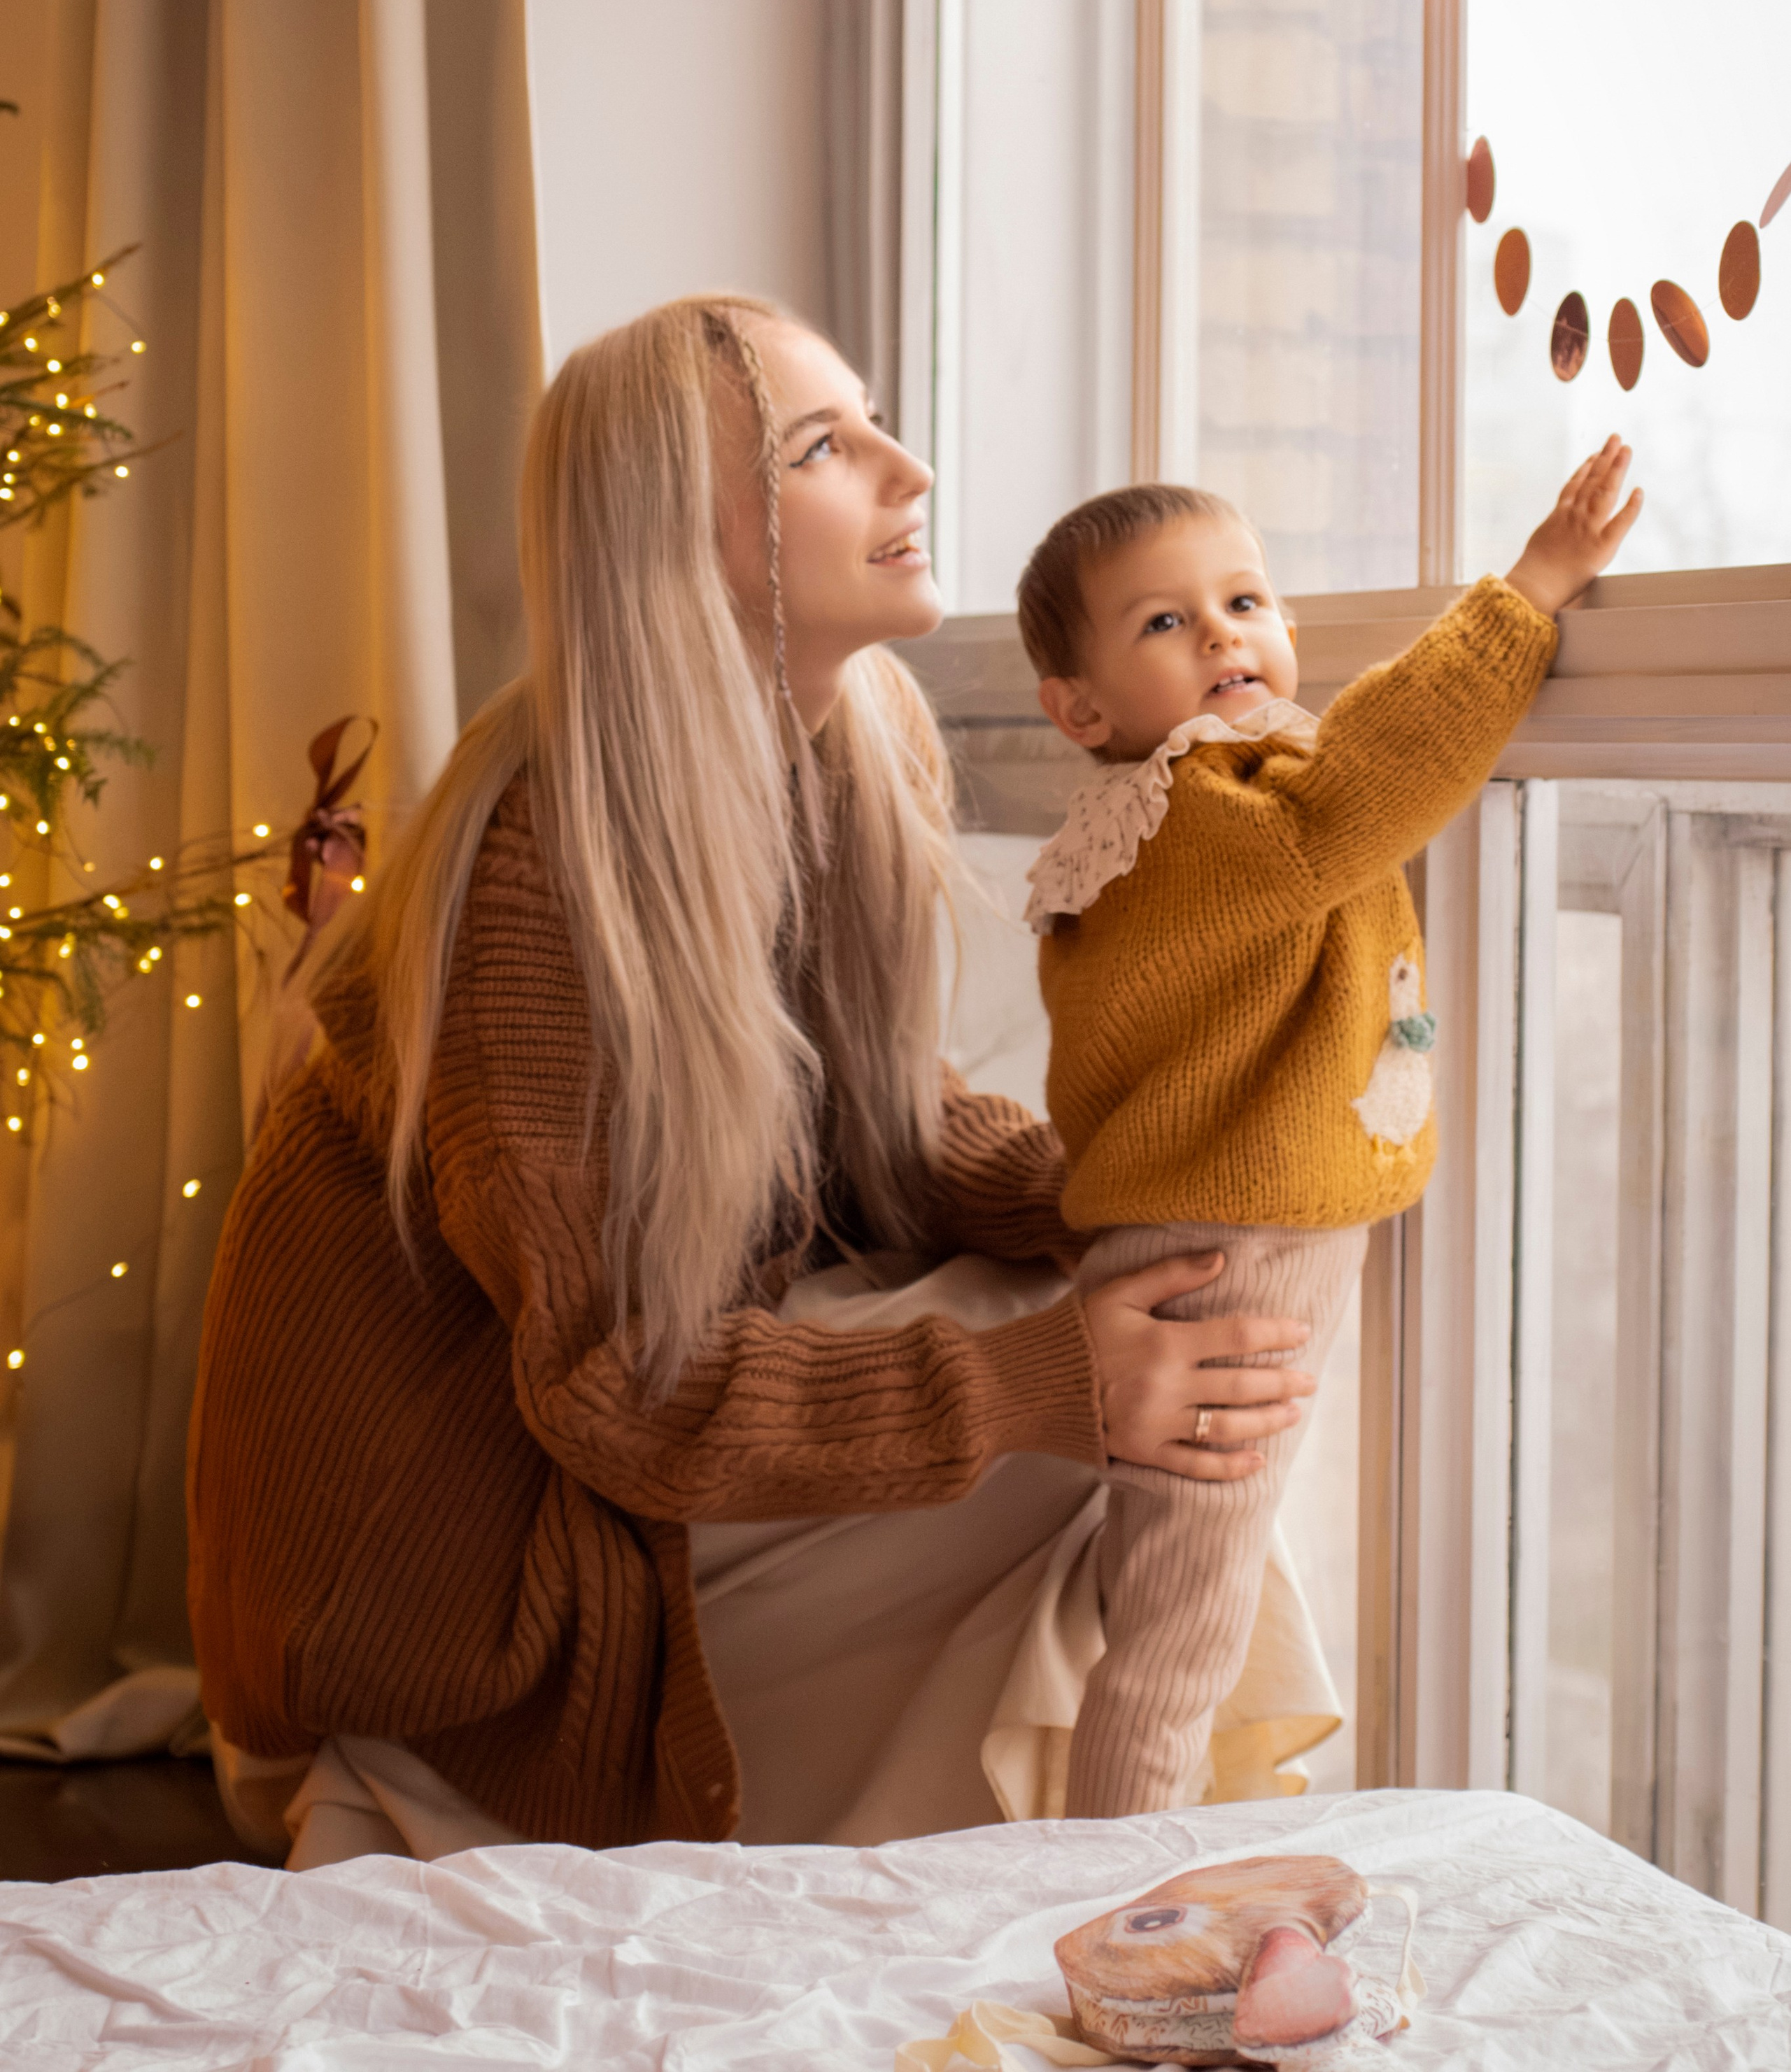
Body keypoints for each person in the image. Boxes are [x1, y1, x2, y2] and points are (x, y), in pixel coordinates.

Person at [187, 295, 1320, 1868]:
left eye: (872, 425)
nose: (907, 468)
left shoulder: (831, 754)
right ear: (675, 530)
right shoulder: (544, 865)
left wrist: (1127, 1194)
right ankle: (1113, 1867)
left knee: (1179, 1309)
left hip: (600, 1454)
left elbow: (881, 1124)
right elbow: (621, 1389)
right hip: (463, 1584)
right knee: (1125, 1385)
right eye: (825, 446)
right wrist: (1053, 1383)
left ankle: (1127, 1851)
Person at [1014, 439, 1643, 1817]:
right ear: (1078, 708)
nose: (1221, 635)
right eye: (1163, 622)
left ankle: (1134, 1871)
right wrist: (1524, 594)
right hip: (1226, 1258)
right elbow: (1370, 782)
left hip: (1195, 1234)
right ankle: (1117, 1902)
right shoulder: (1197, 817)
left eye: (1244, 600)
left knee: (1180, 1603)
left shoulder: (1156, 819)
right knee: (1175, 1636)